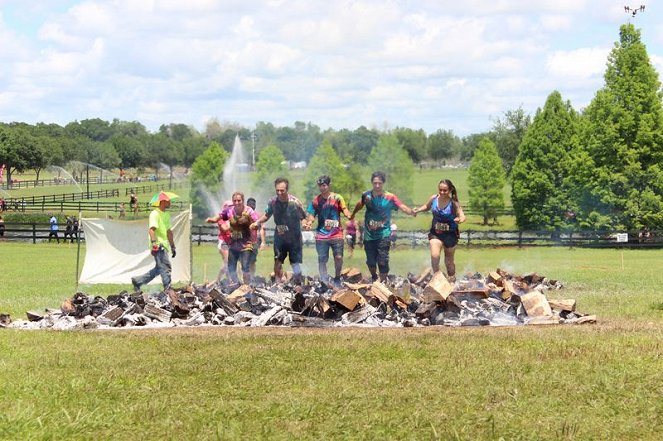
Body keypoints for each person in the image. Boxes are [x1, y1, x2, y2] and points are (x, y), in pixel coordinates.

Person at [350, 171, 416, 282]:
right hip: (369, 235)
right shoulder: (366, 196)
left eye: (379, 183)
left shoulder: (390, 197)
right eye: (375, 183)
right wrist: (353, 214)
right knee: (371, 261)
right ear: (372, 183)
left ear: (383, 183)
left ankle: (383, 282)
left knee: (382, 260)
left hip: (384, 234)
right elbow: (359, 204)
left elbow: (401, 206)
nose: (377, 186)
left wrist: (411, 212)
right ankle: (374, 277)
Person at [251, 177, 307, 284]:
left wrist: (304, 224)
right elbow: (267, 215)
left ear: (287, 189)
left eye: (282, 190)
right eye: (277, 190)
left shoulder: (294, 202)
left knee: (294, 263)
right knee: (277, 260)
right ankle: (277, 283)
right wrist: (257, 222)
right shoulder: (272, 202)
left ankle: (299, 283)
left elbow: (303, 217)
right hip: (280, 237)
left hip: (294, 238)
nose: (279, 193)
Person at [413, 179, 466, 281]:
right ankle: (437, 279)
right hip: (436, 233)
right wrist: (418, 210)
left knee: (449, 262)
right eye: (440, 190)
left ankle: (452, 280)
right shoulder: (434, 198)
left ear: (450, 190)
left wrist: (459, 219)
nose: (442, 192)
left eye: (445, 190)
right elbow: (427, 206)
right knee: (435, 255)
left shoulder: (454, 203)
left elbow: (462, 216)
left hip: (450, 234)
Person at [304, 175, 352, 286]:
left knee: (338, 257)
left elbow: (344, 209)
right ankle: (324, 281)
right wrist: (309, 223)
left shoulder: (337, 198)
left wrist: (348, 214)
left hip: (337, 234)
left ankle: (337, 277)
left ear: (329, 185)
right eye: (320, 186)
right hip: (321, 235)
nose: (322, 188)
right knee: (322, 260)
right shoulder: (316, 200)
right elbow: (311, 215)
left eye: (324, 185)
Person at [131, 196, 176, 291]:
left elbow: (168, 231)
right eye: (168, 200)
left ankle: (138, 281)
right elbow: (151, 230)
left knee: (159, 268)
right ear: (162, 201)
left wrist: (172, 246)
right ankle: (168, 288)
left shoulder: (166, 214)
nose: (170, 202)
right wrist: (154, 244)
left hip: (164, 245)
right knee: (165, 266)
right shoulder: (155, 214)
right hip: (158, 245)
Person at [218, 192, 259, 284]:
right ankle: (237, 284)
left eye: (239, 200)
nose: (237, 203)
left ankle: (247, 286)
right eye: (235, 201)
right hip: (233, 244)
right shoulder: (229, 212)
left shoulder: (249, 211)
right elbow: (222, 221)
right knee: (231, 266)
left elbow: (257, 222)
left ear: (243, 201)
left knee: (245, 266)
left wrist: (253, 226)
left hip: (246, 244)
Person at [206, 200, 233, 285]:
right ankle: (225, 280)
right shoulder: (221, 219)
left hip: (231, 242)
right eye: (229, 206)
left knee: (229, 263)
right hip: (223, 242)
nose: (231, 208)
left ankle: (224, 280)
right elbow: (224, 229)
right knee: (227, 262)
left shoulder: (233, 217)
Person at [246, 197, 267, 278]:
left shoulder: (258, 216)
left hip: (254, 242)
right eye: (250, 204)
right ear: (247, 205)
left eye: (253, 204)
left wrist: (263, 242)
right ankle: (243, 278)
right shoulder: (243, 215)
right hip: (244, 242)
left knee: (252, 261)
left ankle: (252, 277)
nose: (252, 206)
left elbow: (262, 228)